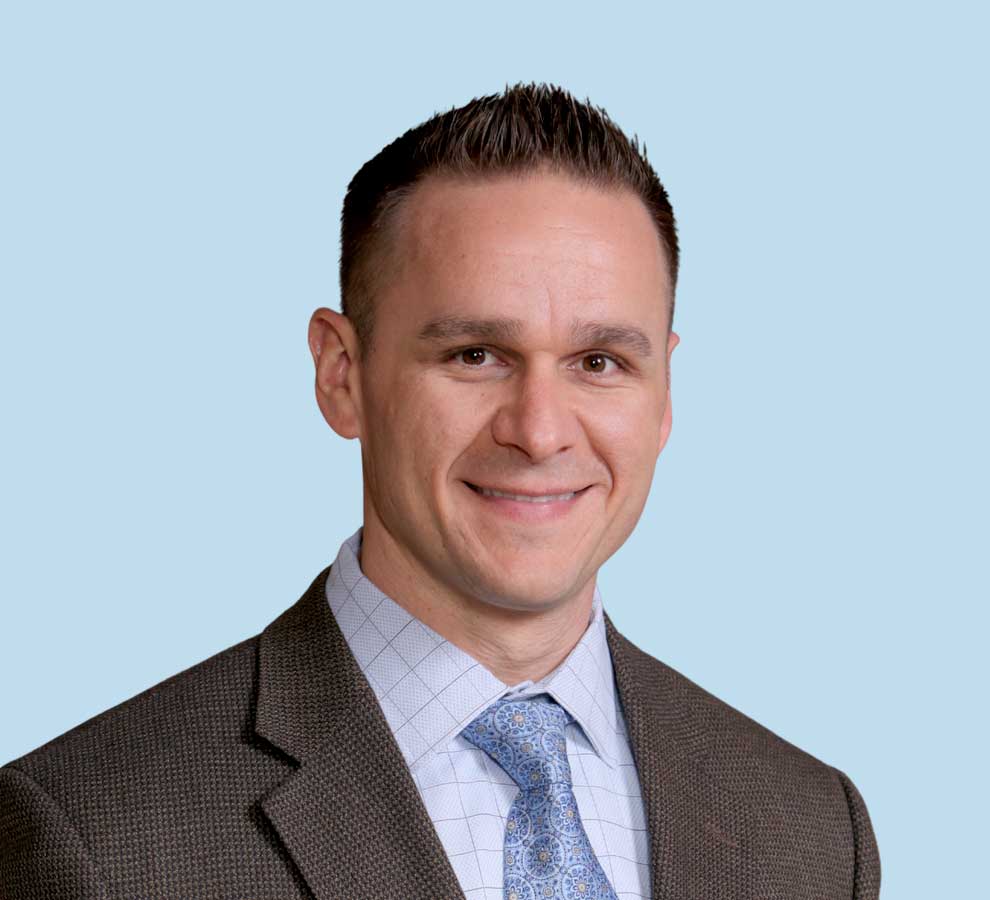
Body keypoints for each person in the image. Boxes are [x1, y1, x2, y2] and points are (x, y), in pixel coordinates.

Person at [0, 83, 880, 900]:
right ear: (342, 375)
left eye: (599, 362)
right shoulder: (95, 838)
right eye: (474, 355)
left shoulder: (809, 831)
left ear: (664, 395)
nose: (539, 431)